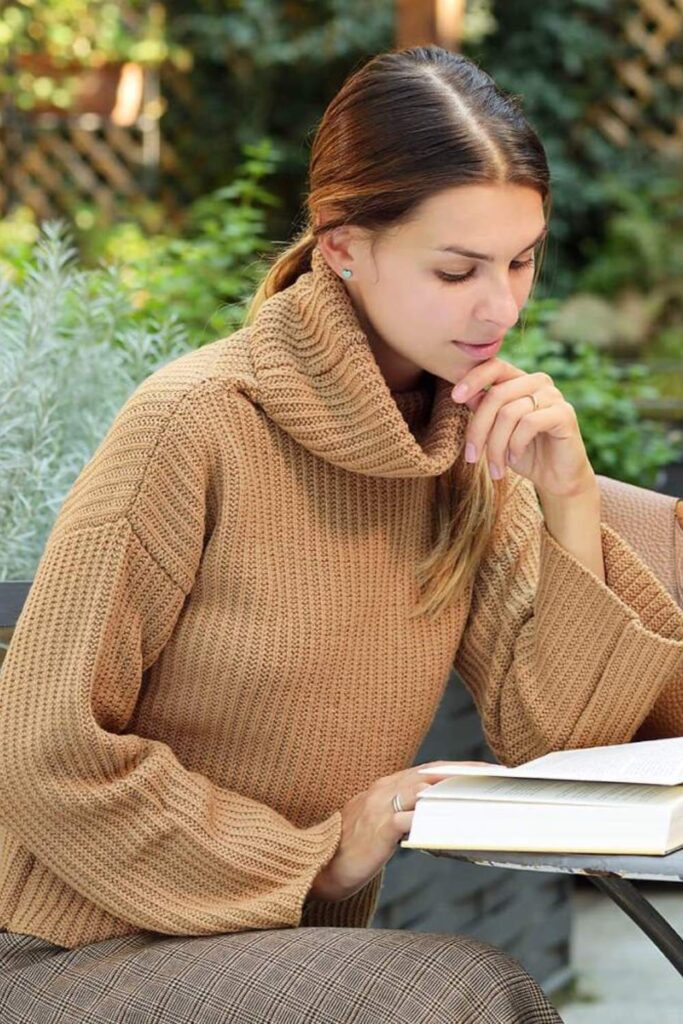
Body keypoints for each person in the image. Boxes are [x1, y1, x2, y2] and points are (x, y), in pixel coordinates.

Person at [1, 44, 682, 1024]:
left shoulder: (463, 448)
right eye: (456, 269)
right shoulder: (195, 422)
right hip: (59, 950)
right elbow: (45, 749)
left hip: (265, 952)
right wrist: (315, 855)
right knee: (455, 996)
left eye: (521, 261)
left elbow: (559, 748)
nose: (500, 305)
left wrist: (569, 500)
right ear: (341, 245)